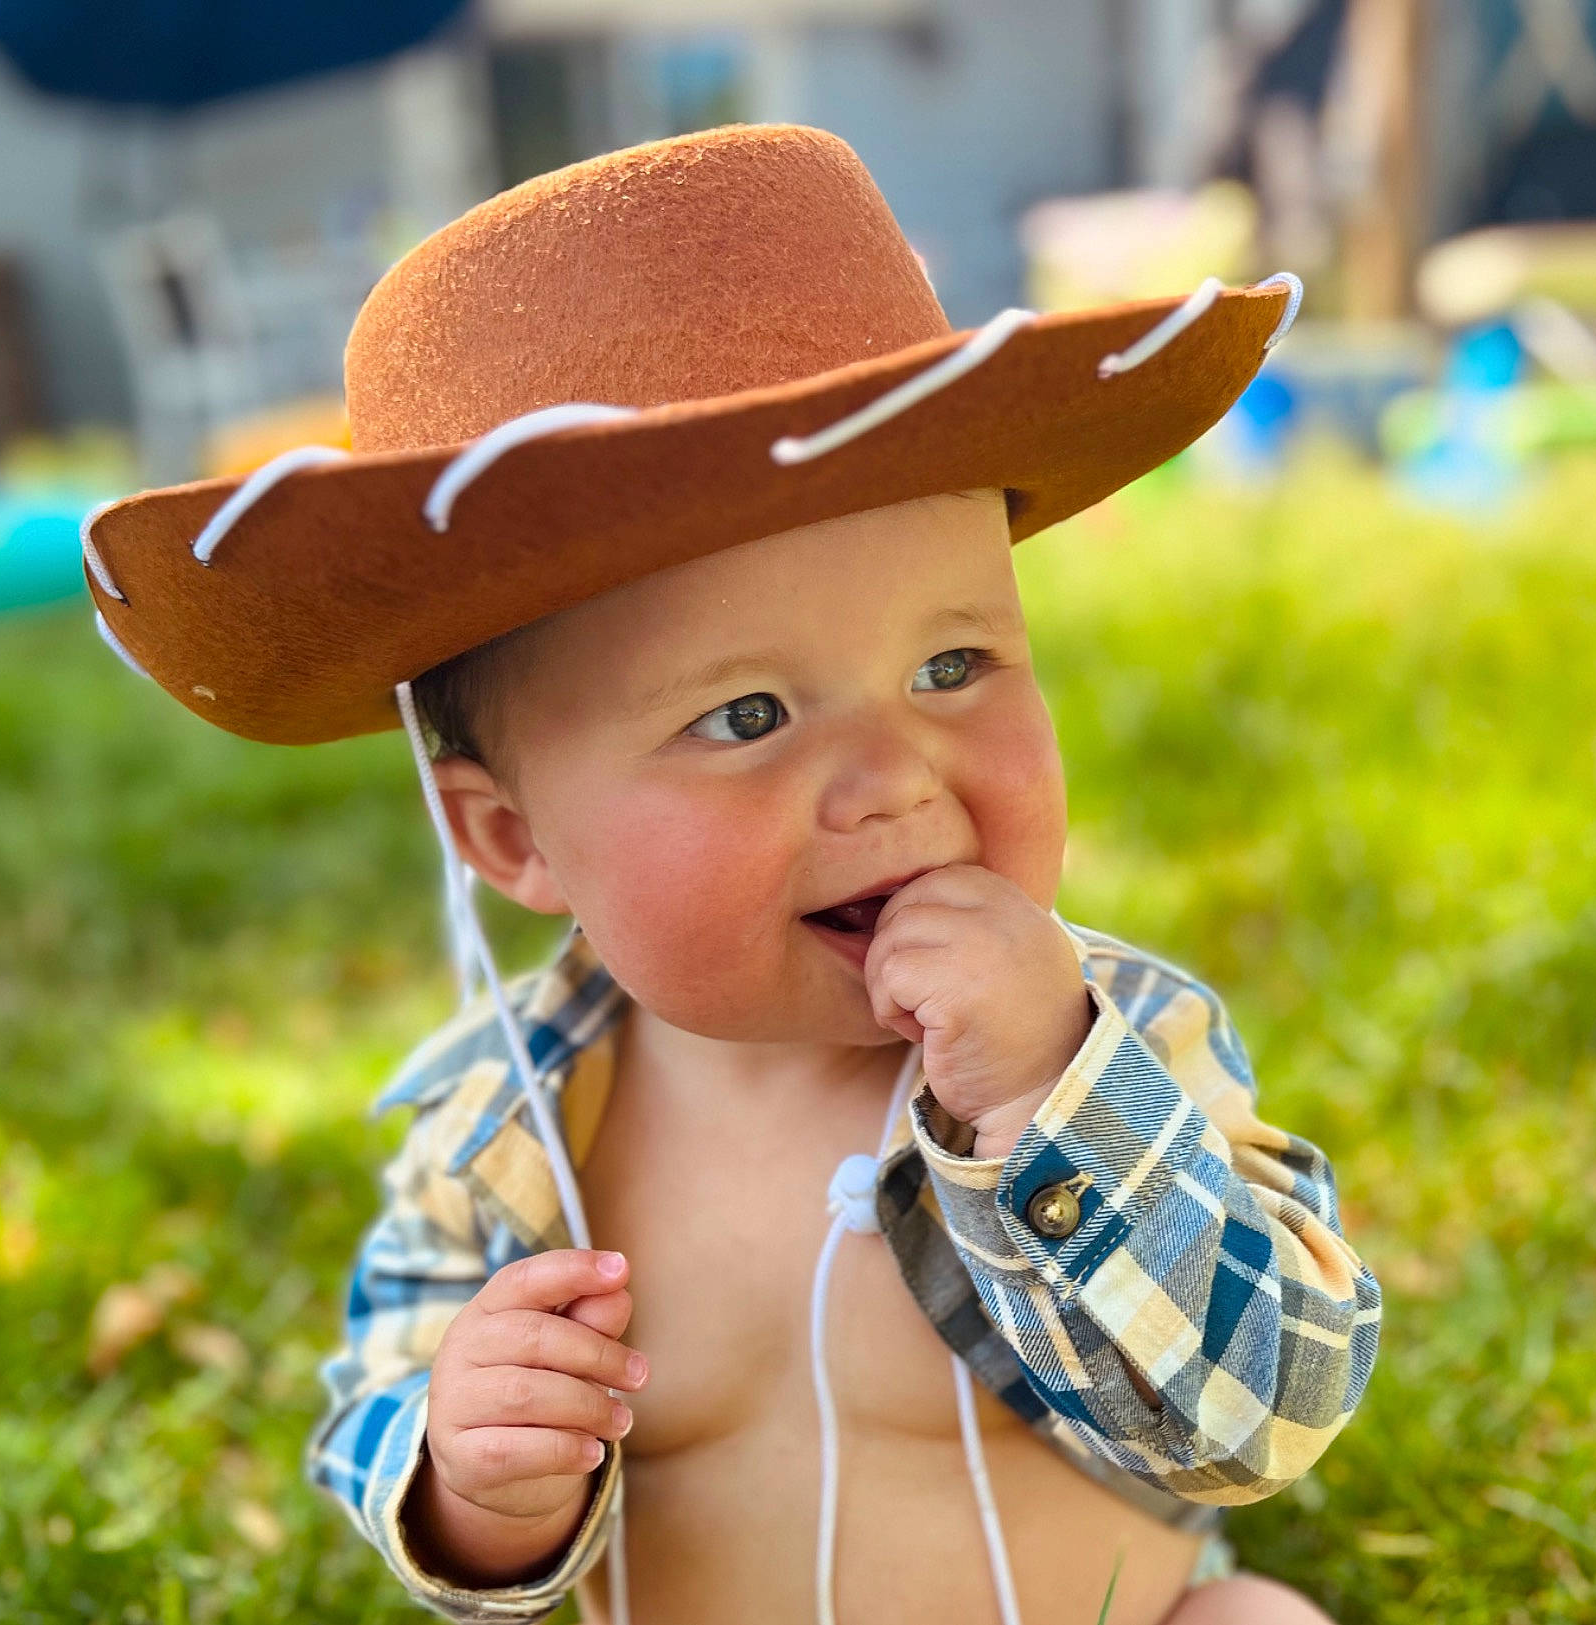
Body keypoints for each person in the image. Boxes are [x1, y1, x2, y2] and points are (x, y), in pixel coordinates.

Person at [82, 123, 1379, 1625]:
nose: (893, 775)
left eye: (952, 663)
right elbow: (385, 1409)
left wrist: (1050, 1097)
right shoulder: (510, 1137)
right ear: (512, 840)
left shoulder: (1119, 1040)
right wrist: (466, 1477)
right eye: (747, 715)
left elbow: (1270, 1413)